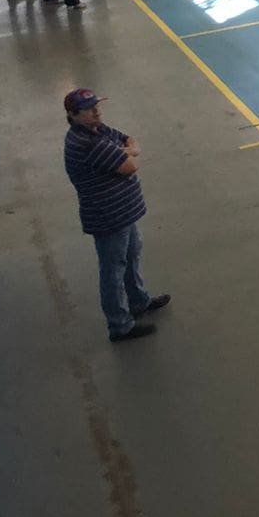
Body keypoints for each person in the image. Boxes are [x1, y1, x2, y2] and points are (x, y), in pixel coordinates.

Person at [61, 89, 170, 342]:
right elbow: (130, 165)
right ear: (73, 115)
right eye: (89, 109)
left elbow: (129, 140)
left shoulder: (96, 131)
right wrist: (125, 153)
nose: (97, 111)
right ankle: (120, 325)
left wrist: (125, 151)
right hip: (108, 216)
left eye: (97, 105)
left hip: (122, 213)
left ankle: (138, 301)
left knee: (131, 255)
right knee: (113, 270)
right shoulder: (89, 143)